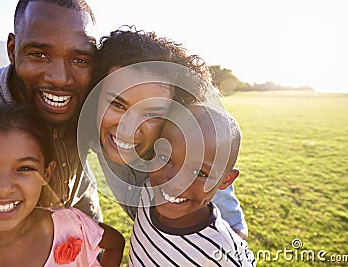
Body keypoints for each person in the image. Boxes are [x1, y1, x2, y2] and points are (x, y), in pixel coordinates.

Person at [78, 27, 248, 239]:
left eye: (151, 114)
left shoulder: (193, 157)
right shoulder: (91, 129)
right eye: (117, 105)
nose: (127, 129)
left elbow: (235, 231)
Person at [0, 0, 101, 232]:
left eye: (79, 60)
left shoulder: (97, 99)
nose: (61, 78)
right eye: (39, 55)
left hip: (79, 214)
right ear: (12, 49)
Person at [0, 104, 124, 267]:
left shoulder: (71, 226)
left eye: (25, 168)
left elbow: (115, 243)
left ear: (46, 174)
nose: (3, 188)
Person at [129, 103, 256, 266]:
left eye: (199, 173)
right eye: (165, 159)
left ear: (226, 180)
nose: (175, 183)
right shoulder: (147, 193)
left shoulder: (224, 253)